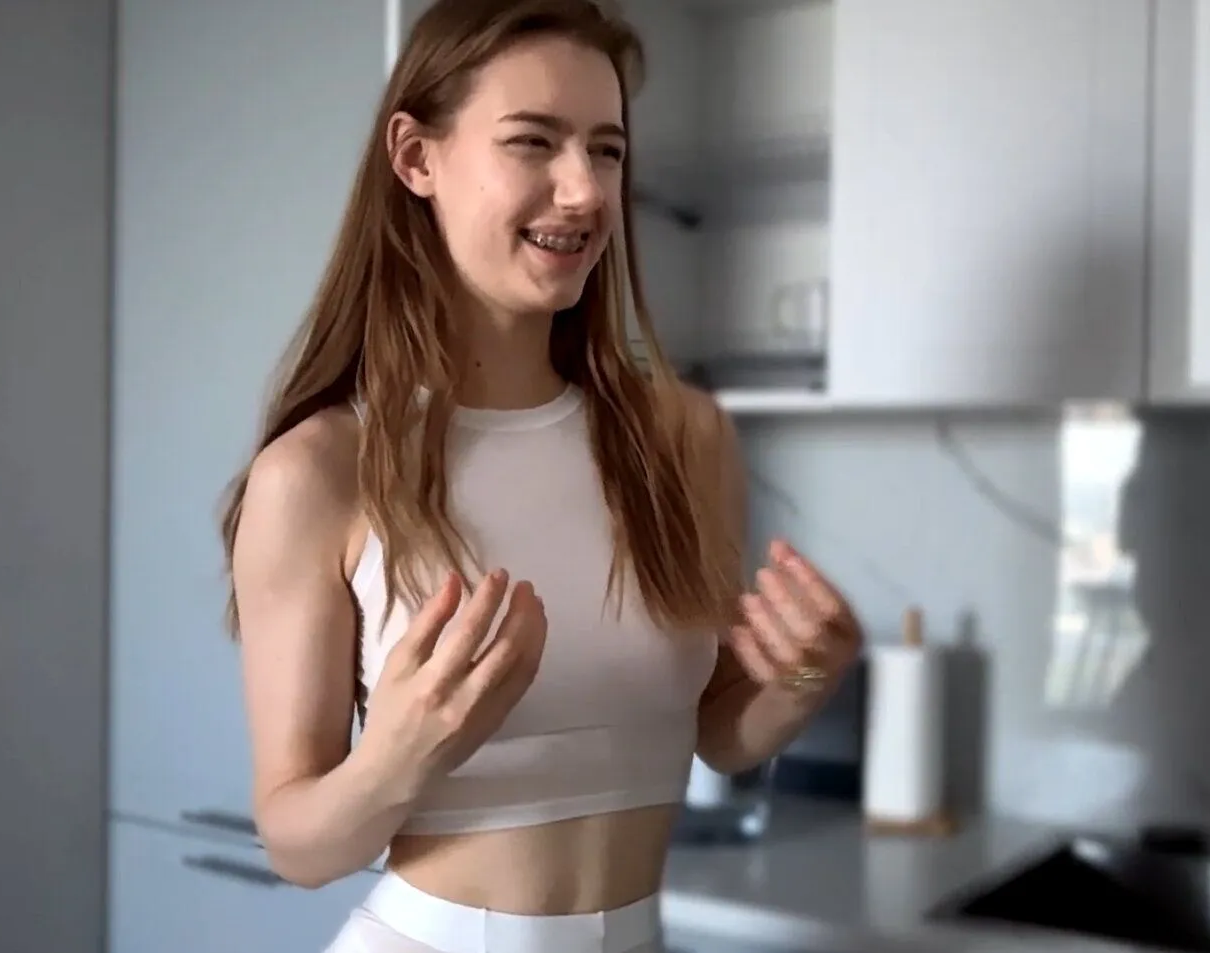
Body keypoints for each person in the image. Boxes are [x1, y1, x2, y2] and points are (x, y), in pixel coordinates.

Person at [217, 1, 862, 951]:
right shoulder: (320, 473)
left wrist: (799, 677)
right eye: (533, 142)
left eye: (607, 150)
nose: (585, 191)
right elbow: (298, 843)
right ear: (417, 158)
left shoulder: (683, 438)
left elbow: (709, 732)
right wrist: (396, 757)